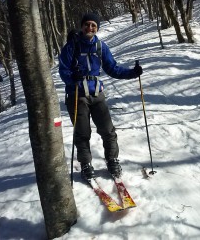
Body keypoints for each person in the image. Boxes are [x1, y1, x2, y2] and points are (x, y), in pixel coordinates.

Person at [59, 13, 142, 180]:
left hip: (97, 94)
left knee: (108, 130)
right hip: (77, 95)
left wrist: (132, 73)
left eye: (93, 25)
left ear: (97, 28)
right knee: (82, 133)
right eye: (87, 24)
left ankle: (112, 159)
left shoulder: (100, 46)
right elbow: (63, 70)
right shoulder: (71, 47)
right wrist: (72, 77)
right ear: (82, 26)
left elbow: (113, 68)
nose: (90, 28)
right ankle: (86, 164)